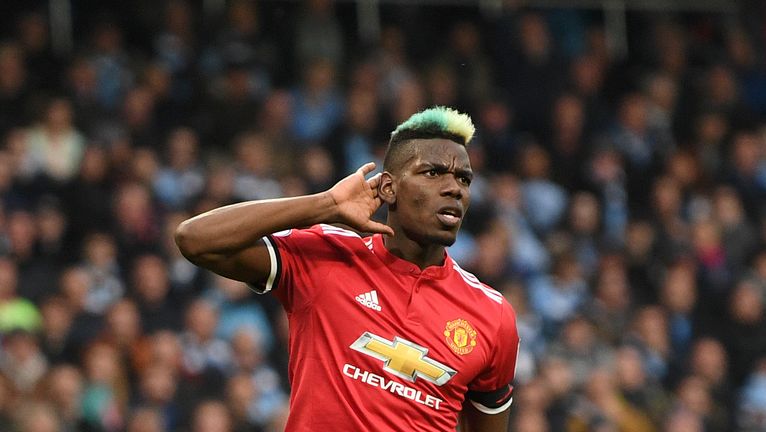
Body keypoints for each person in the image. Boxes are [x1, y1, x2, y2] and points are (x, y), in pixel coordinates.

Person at [175, 106, 519, 431]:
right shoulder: (326, 256)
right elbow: (195, 239)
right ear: (388, 188)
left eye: (463, 179)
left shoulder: (492, 315)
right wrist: (326, 204)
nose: (453, 189)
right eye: (433, 173)